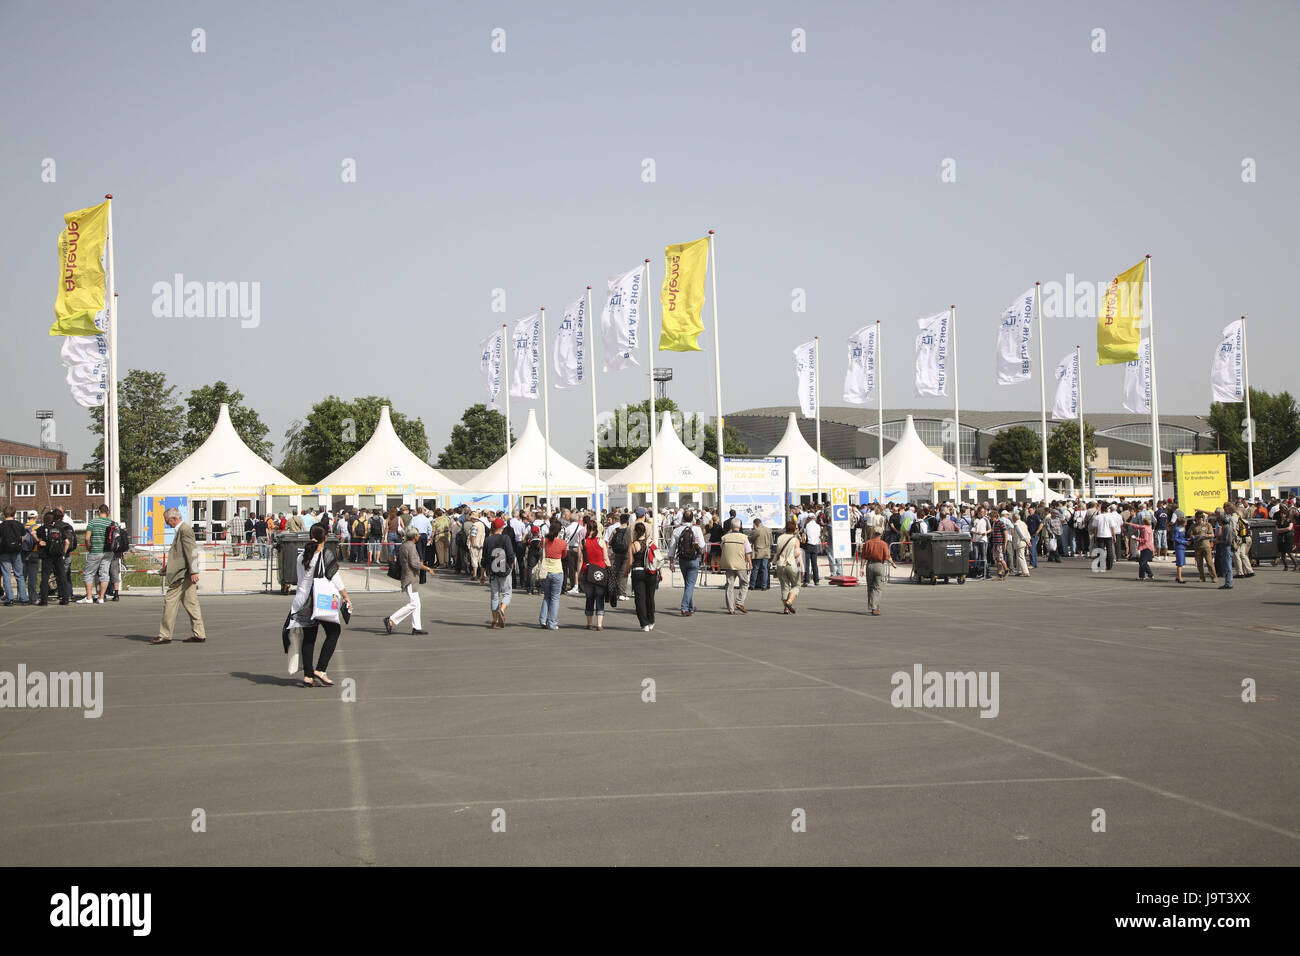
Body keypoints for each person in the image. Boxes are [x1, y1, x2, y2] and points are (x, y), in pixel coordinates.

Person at [287, 523, 353, 687]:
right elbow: (335, 578)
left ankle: (308, 675)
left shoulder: (302, 556)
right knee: (333, 631)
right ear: (325, 537)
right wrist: (346, 597)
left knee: (309, 637)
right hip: (319, 600)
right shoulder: (326, 554)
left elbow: (301, 579)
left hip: (302, 601)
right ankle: (321, 669)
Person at [151, 507, 206, 642]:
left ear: (174, 519)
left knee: (170, 601)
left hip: (182, 574)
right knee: (191, 604)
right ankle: (199, 634)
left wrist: (194, 571)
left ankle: (165, 634)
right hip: (186, 573)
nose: (167, 523)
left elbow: (192, 551)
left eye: (167, 521)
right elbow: (181, 554)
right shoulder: (182, 530)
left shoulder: (184, 530)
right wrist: (167, 567)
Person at [385, 526, 433, 635]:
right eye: (418, 535)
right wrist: (428, 568)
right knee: (414, 604)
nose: (419, 536)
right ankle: (391, 619)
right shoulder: (411, 547)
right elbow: (414, 563)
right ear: (415, 537)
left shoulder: (405, 545)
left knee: (416, 603)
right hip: (410, 577)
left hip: (409, 576)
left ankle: (416, 627)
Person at [672, 514, 705, 616]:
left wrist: (671, 562)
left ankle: (690, 607)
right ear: (692, 519)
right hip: (694, 559)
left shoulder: (677, 530)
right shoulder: (696, 529)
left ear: (682, 518)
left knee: (688, 584)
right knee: (690, 584)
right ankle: (684, 607)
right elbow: (702, 545)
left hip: (682, 560)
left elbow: (672, 548)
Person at [860, 526, 897, 616]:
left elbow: (864, 557)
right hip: (879, 566)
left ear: (873, 533)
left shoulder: (868, 543)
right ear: (881, 534)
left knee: (870, 587)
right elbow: (887, 556)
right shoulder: (883, 544)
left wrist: (861, 568)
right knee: (878, 587)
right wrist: (893, 564)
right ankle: (874, 607)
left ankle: (872, 605)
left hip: (869, 565)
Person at [579, 518, 608, 631]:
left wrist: (578, 576)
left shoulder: (583, 542)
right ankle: (599, 624)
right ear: (596, 529)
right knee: (600, 597)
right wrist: (610, 570)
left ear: (587, 529)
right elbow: (605, 558)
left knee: (589, 597)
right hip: (600, 571)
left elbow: (580, 560)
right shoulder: (601, 542)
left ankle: (589, 623)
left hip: (588, 572)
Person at [628, 522, 658, 631]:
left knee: (640, 599)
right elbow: (656, 558)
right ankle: (651, 620)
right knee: (650, 597)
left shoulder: (633, 544)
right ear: (645, 531)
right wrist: (659, 571)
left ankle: (644, 623)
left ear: (635, 532)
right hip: (651, 571)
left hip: (638, 571)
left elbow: (630, 561)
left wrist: (626, 572)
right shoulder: (651, 542)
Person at [538, 517, 566, 629]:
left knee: (546, 597)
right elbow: (563, 555)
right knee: (555, 598)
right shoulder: (562, 543)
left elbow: (540, 548)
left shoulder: (544, 540)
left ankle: (543, 620)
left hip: (545, 571)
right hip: (557, 571)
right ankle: (552, 622)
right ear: (559, 531)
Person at [720, 518, 753, 615]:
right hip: (740, 563)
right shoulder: (744, 538)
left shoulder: (725, 537)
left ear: (731, 527)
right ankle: (739, 602)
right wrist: (750, 563)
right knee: (745, 582)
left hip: (728, 563)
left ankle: (731, 608)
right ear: (740, 527)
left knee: (729, 585)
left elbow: (722, 548)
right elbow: (748, 552)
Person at [0, 507, 30, 606]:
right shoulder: (19, 525)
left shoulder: (1, 526)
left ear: (4, 514)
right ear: (14, 514)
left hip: (4, 552)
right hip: (16, 551)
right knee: (19, 575)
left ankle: (10, 598)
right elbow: (23, 537)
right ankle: (23, 598)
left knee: (6, 575)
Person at [773, 519, 803, 613]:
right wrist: (802, 567)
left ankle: (786, 608)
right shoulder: (795, 540)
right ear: (794, 530)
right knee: (796, 585)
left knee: (784, 586)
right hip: (791, 564)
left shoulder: (779, 538)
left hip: (780, 564)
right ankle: (789, 602)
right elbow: (798, 554)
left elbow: (777, 551)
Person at [747, 517, 772, 591]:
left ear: (755, 524)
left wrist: (752, 531)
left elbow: (750, 539)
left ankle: (752, 585)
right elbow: (771, 541)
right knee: (765, 569)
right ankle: (764, 585)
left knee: (755, 568)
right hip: (766, 552)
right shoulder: (768, 530)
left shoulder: (757, 530)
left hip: (758, 552)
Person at [1129, 515, 1155, 581]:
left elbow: (1145, 539)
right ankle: (1150, 574)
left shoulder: (1145, 530)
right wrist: (1130, 524)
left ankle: (1142, 576)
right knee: (1143, 562)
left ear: (1144, 522)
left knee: (1142, 562)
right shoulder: (1148, 527)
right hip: (1147, 547)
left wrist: (1136, 539)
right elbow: (1139, 526)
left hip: (1146, 547)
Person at [1214, 510, 1235, 590]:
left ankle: (1229, 583)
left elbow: (1228, 541)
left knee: (1228, 566)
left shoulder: (1227, 528)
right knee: (1226, 566)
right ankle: (1227, 582)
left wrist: (1218, 541)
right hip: (1225, 548)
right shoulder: (1225, 527)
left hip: (1227, 548)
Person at [801, 511, 822, 587]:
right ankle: (816, 580)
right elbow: (819, 535)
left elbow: (804, 536)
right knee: (814, 564)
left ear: (809, 518)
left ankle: (806, 580)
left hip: (808, 545)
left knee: (806, 563)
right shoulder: (818, 526)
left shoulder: (807, 525)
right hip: (815, 545)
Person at [1171, 516, 1188, 583]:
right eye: (1185, 522)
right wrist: (1184, 542)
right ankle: (1180, 578)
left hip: (1183, 546)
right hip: (1179, 546)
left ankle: (1178, 576)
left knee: (1182, 562)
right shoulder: (1177, 529)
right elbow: (1176, 538)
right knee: (1180, 563)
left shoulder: (1183, 529)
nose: (1186, 524)